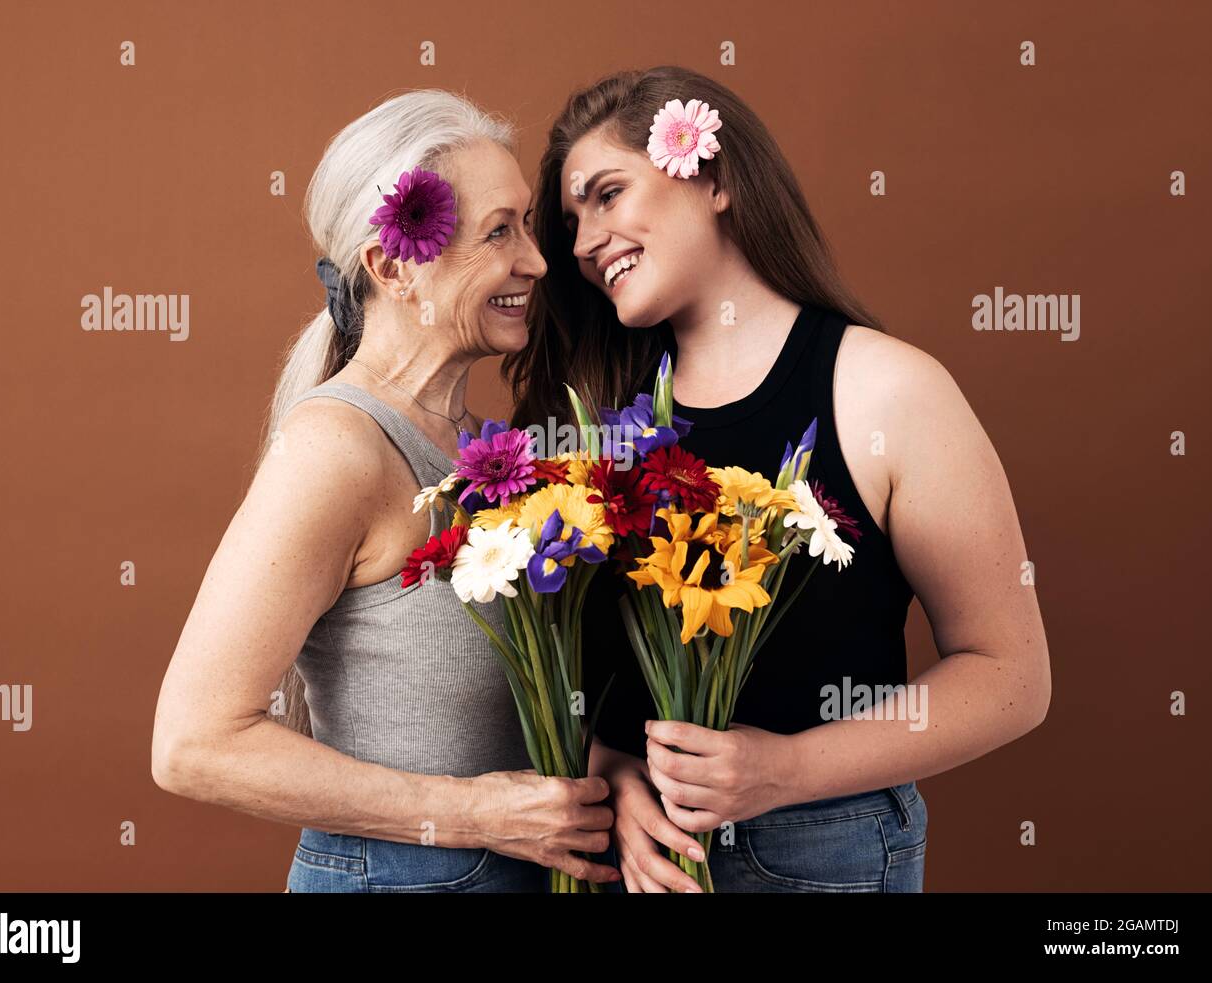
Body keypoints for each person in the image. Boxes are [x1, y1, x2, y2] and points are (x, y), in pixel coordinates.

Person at [505, 66, 1051, 892]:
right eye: (573, 220)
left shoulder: (890, 390)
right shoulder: (591, 415)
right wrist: (610, 774)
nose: (582, 244)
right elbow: (556, 672)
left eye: (607, 194)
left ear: (714, 177)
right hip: (626, 861)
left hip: (821, 855)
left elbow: (1011, 677)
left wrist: (787, 768)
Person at [151, 90, 619, 892]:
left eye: (528, 224)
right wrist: (474, 815)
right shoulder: (337, 449)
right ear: (394, 265)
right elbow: (194, 742)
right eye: (499, 231)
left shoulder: (483, 450)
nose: (538, 261)